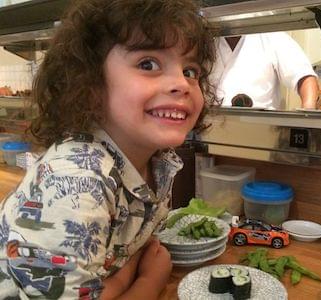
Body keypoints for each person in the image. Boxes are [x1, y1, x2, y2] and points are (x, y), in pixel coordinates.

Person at [0, 0, 216, 299]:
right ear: (88, 84)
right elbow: (139, 264)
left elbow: (127, 256)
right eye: (148, 64)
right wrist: (150, 280)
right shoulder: (76, 184)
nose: (182, 83)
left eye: (191, 70)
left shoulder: (157, 161)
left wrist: (116, 283)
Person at [211, 32, 319, 109]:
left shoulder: (270, 34)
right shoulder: (207, 39)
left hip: (261, 130)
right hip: (209, 128)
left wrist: (308, 115)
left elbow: (305, 77)